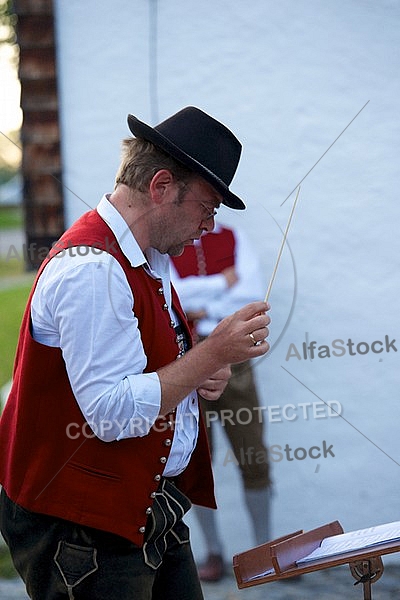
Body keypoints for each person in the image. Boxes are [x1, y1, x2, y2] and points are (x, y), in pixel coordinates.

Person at [0, 106, 271, 600]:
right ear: (161, 186)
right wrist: (210, 355)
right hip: (83, 529)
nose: (210, 226)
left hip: (146, 508)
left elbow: (144, 366)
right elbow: (110, 413)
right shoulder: (93, 268)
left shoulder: (150, 257)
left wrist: (195, 375)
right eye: (208, 207)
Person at [171, 224, 271, 582]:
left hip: (234, 360)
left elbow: (249, 294)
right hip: (187, 355)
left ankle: (264, 551)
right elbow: (172, 296)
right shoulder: (170, 238)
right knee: (196, 460)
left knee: (252, 453)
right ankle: (212, 550)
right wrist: (219, 284)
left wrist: (198, 303)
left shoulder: (233, 236)